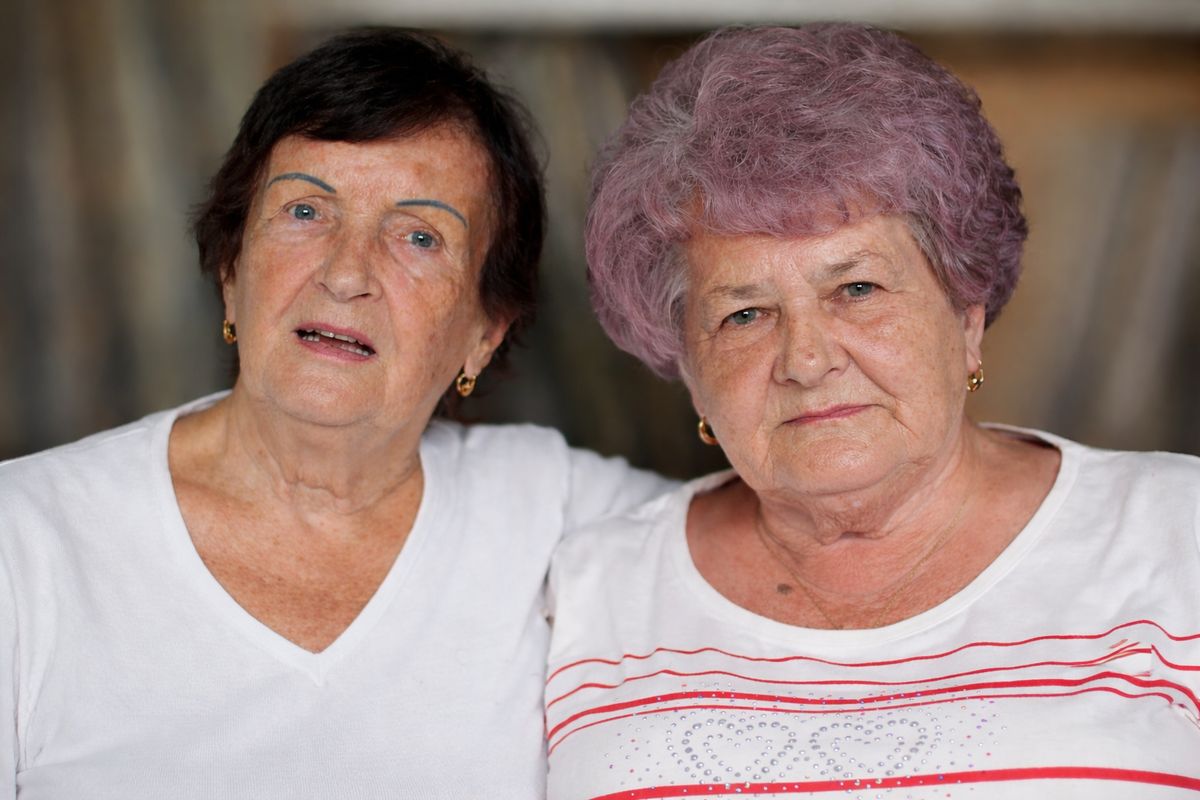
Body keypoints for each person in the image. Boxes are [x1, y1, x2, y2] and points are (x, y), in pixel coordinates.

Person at [0, 29, 673, 798]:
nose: (347, 273)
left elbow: (782, 541)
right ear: (231, 272)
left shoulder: (558, 515)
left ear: (484, 333)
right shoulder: (23, 542)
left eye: (419, 236)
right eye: (305, 211)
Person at [545, 24, 1200, 799]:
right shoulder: (586, 594)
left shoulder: (1174, 533)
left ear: (966, 319)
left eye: (856, 289)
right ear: (687, 367)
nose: (807, 359)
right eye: (745, 314)